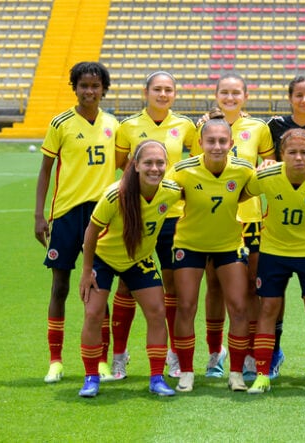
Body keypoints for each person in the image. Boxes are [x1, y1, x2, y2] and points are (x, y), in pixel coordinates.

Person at [75, 140, 182, 398]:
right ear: (135, 165)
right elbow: (91, 231)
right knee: (93, 313)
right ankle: (91, 377)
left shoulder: (171, 191)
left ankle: (156, 377)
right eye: (148, 163)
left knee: (157, 311)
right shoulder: (116, 194)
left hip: (139, 260)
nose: (154, 168)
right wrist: (87, 270)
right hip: (104, 259)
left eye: (160, 163)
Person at [35, 61, 118, 384]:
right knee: (61, 286)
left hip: (102, 215)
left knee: (99, 287)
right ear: (75, 87)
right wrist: (40, 215)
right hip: (67, 214)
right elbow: (45, 170)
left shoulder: (113, 123)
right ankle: (55, 360)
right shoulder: (61, 123)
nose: (89, 91)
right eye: (83, 85)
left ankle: (100, 361)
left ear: (103, 89)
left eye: (95, 86)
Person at [242, 129, 305, 395]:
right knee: (268, 309)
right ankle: (262, 374)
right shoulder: (265, 175)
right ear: (281, 154)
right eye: (292, 152)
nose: (299, 158)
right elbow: (240, 195)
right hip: (273, 250)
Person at [112, 71, 197, 380]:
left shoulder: (186, 126)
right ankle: (119, 356)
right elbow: (121, 167)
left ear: (175, 94)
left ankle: (174, 355)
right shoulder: (128, 127)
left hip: (173, 215)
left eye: (168, 90)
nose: (163, 94)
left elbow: (194, 165)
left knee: (172, 285)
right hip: (137, 215)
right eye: (157, 89)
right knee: (126, 283)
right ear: (145, 91)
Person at [168, 119, 258, 392]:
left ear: (231, 144)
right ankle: (185, 371)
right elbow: (161, 193)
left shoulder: (243, 170)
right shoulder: (183, 170)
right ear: (200, 143)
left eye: (222, 141)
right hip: (189, 244)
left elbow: (252, 191)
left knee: (239, 307)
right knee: (186, 306)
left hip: (229, 245)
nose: (217, 146)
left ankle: (235, 373)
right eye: (211, 141)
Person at [197, 74, 275, 381]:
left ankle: (249, 354)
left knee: (252, 285)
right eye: (224, 92)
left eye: (236, 92)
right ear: (216, 95)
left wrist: (266, 167)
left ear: (245, 95)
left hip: (250, 218)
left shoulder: (259, 128)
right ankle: (215, 353)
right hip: (213, 219)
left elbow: (269, 167)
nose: (230, 97)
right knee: (214, 286)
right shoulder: (202, 127)